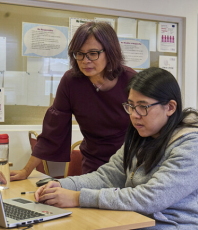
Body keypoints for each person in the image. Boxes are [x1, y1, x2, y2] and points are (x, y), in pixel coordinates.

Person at [35, 67, 198, 229]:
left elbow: (149, 198)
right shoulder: (142, 136)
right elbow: (107, 176)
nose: (134, 115)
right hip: (134, 221)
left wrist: (77, 198)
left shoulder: (192, 146)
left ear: (170, 107)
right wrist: (60, 185)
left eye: (143, 107)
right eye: (130, 106)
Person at [10, 21, 137, 181]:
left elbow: (150, 128)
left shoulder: (132, 81)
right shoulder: (71, 81)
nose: (85, 60)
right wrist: (25, 171)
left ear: (110, 52)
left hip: (130, 162)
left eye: (93, 53)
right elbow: (53, 130)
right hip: (93, 163)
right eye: (80, 53)